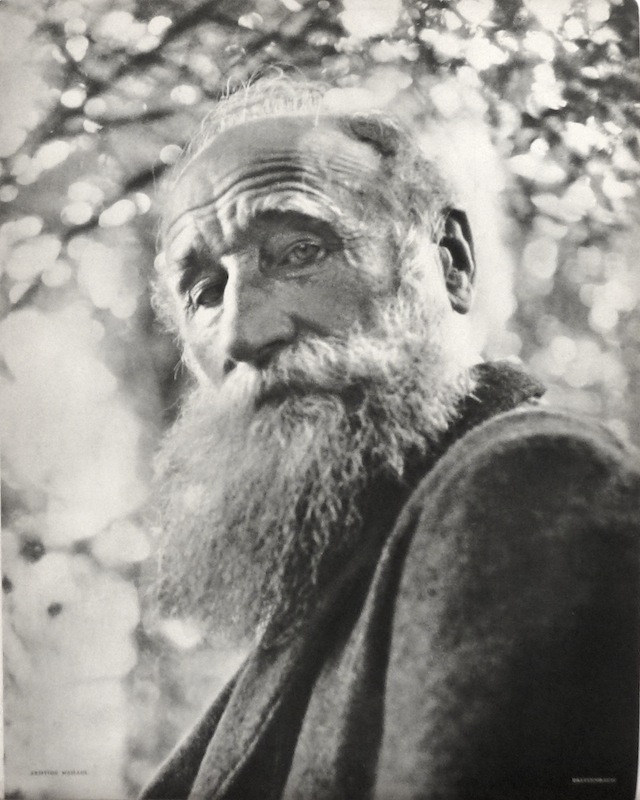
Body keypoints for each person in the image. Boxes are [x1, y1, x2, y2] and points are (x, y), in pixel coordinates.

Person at [140, 77, 640, 800]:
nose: (244, 333)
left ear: (449, 263)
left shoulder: (527, 481)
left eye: (299, 250)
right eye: (206, 291)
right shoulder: (334, 581)